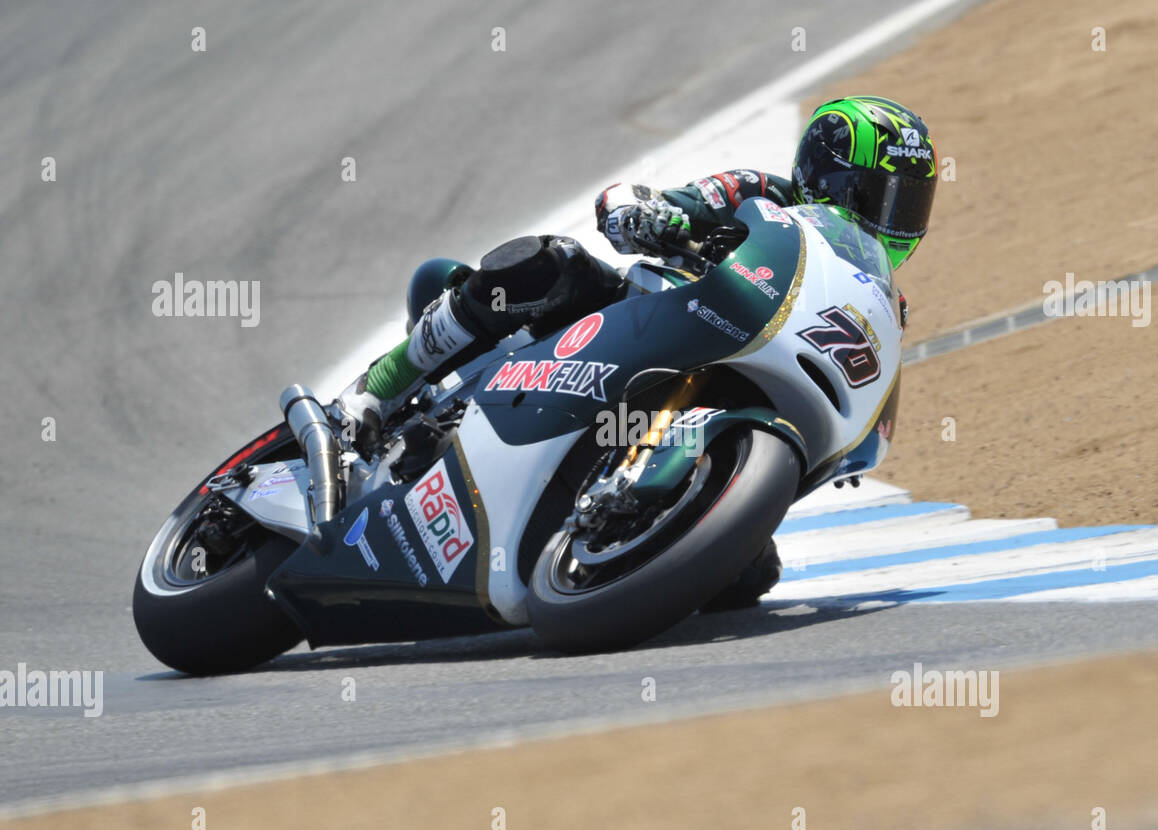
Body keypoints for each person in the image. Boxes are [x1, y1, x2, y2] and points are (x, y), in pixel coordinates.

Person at [333, 95, 938, 608]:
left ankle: (622, 528)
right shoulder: (761, 195)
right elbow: (646, 197)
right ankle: (380, 388)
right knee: (551, 265)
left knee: (746, 581)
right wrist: (647, 213)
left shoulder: (877, 298)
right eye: (880, 196)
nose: (895, 220)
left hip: (722, 389)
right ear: (825, 175)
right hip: (634, 320)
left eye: (909, 205)